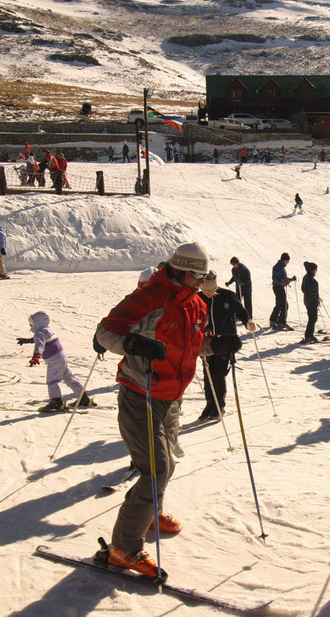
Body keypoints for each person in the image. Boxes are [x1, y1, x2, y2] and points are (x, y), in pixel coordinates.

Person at [94, 242, 240, 578]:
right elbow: (106, 332)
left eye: (203, 277)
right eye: (196, 275)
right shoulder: (149, 297)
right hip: (140, 393)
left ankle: (149, 512)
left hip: (172, 396)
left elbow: (191, 345)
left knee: (168, 462)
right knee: (156, 469)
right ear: (181, 269)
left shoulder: (197, 303)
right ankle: (123, 548)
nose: (200, 282)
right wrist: (131, 342)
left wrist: (215, 345)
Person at [198, 272, 253, 421]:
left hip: (226, 340)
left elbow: (241, 310)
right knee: (207, 372)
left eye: (210, 291)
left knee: (218, 373)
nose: (207, 294)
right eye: (204, 290)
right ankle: (210, 403)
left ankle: (219, 405)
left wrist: (248, 322)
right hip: (206, 342)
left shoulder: (227, 295)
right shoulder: (198, 298)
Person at [18, 312, 94, 412]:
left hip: (54, 359)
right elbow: (41, 339)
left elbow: (39, 345)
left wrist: (36, 356)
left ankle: (56, 402)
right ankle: (83, 398)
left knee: (52, 381)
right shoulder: (46, 330)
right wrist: (28, 341)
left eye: (32, 323)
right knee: (69, 378)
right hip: (61, 357)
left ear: (38, 323)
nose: (30, 326)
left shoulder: (40, 333)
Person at [269, 252, 295, 331]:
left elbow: (283, 278)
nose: (288, 262)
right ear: (284, 260)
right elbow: (275, 278)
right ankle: (281, 322)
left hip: (279, 287)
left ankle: (273, 320)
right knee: (284, 305)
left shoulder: (281, 267)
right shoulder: (278, 267)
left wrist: (290, 279)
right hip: (278, 287)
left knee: (279, 304)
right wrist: (282, 282)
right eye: (287, 260)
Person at [301, 262, 320, 344]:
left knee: (312, 318)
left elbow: (303, 289)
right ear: (313, 269)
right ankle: (309, 335)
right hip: (311, 301)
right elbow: (310, 290)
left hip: (308, 300)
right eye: (316, 269)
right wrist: (316, 297)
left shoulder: (307, 277)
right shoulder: (310, 278)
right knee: (313, 318)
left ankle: (309, 335)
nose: (316, 271)